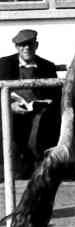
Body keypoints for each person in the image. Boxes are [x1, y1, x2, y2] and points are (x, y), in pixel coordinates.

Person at [0, 29, 61, 178]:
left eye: (30, 45)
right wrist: (9, 105)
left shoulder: (47, 66)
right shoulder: (4, 64)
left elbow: (56, 95)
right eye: (22, 45)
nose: (26, 48)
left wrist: (45, 103)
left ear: (36, 45)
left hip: (39, 115)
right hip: (11, 112)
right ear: (16, 47)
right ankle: (10, 169)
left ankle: (39, 166)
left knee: (47, 121)